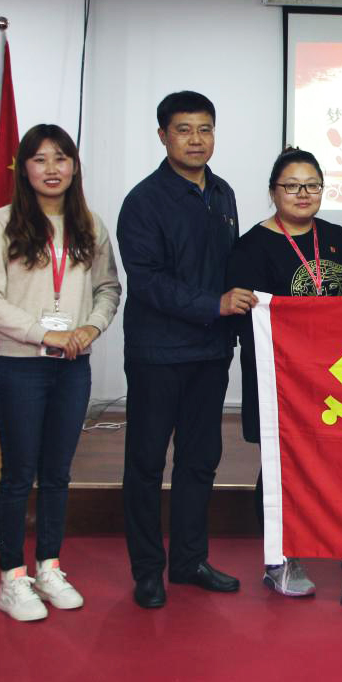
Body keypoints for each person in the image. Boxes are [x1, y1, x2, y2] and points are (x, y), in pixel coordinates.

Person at [0, 124, 121, 622]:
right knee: (19, 475)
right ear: (24, 168)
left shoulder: (90, 225)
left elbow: (108, 288)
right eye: (40, 159)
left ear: (74, 166)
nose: (52, 168)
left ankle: (49, 566)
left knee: (58, 474)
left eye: (61, 158)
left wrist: (90, 328)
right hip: (20, 366)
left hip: (72, 367)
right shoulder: (2, 223)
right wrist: (43, 333)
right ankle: (12, 578)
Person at [117, 90, 256, 609]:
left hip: (211, 352)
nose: (196, 140)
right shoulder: (143, 201)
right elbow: (148, 281)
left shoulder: (222, 193)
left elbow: (230, 266)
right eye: (184, 130)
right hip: (158, 353)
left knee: (201, 461)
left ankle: (189, 560)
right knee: (147, 463)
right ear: (163, 136)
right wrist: (214, 304)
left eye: (205, 129)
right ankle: (147, 570)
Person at [226, 147, 342, 598]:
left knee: (338, 463)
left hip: (335, 377)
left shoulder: (338, 238)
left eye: (312, 185)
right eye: (292, 186)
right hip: (278, 380)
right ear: (273, 191)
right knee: (281, 466)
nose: (303, 194)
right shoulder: (250, 247)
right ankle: (279, 559)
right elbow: (245, 321)